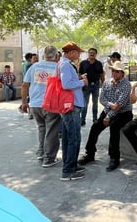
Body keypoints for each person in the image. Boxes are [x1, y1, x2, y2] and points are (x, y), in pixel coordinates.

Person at [78, 61, 133, 171]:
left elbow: (119, 106)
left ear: (122, 73)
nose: (114, 73)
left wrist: (109, 116)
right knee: (95, 127)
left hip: (124, 113)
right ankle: (90, 154)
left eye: (117, 71)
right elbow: (102, 99)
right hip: (108, 110)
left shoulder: (126, 85)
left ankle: (114, 158)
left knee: (114, 127)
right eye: (113, 71)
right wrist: (109, 108)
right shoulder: (107, 83)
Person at [21, 46, 62, 167]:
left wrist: (24, 102)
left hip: (34, 105)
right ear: (56, 56)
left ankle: (41, 152)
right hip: (50, 104)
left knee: (41, 128)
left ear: (44, 55)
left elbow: (24, 85)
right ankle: (49, 158)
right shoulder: (58, 68)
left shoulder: (34, 67)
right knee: (52, 131)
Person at [59, 41, 88, 181]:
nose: (79, 55)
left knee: (67, 138)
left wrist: (78, 78)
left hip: (69, 105)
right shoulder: (65, 65)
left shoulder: (64, 64)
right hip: (71, 106)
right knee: (73, 138)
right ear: (71, 52)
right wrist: (82, 82)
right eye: (77, 52)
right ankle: (68, 170)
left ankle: (70, 165)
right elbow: (66, 84)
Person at [79, 48, 105, 126]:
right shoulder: (83, 63)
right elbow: (79, 74)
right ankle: (82, 120)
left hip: (96, 85)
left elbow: (101, 74)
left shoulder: (99, 63)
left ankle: (95, 119)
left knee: (95, 103)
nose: (92, 54)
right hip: (86, 86)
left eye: (93, 53)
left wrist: (103, 84)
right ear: (88, 53)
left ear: (96, 54)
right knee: (85, 104)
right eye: (90, 52)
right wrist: (81, 80)